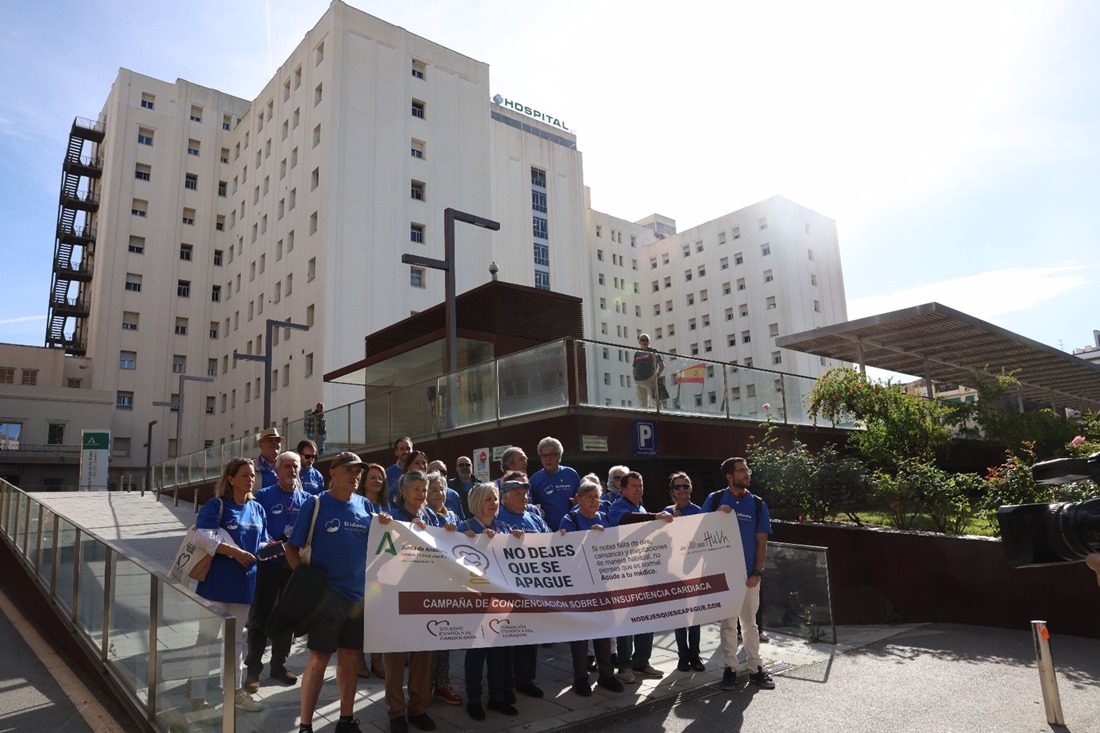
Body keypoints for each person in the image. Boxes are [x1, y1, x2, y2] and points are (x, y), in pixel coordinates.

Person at [287, 451, 391, 733]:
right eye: (349, 470)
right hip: (327, 596)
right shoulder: (316, 503)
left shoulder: (366, 506)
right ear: (333, 472)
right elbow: (291, 547)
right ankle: (306, 725)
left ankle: (346, 719)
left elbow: (384, 546)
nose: (355, 476)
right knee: (319, 659)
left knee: (349, 658)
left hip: (357, 598)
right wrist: (306, 585)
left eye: (359, 471)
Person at [189, 457, 268, 713]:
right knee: (206, 640)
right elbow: (202, 537)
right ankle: (198, 696)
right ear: (231, 479)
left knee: (235, 643)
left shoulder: (258, 509)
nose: (250, 479)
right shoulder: (217, 505)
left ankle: (234, 693)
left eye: (253, 475)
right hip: (215, 586)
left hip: (244, 585)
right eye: (244, 475)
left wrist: (275, 548)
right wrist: (234, 552)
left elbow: (262, 543)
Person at [385, 471, 455, 733]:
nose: (421, 494)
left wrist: (447, 530)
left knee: (423, 656)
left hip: (424, 594)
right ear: (403, 491)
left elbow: (446, 544)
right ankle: (396, 713)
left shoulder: (433, 517)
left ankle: (418, 707)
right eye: (416, 489)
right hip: (396, 595)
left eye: (424, 490)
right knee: (395, 656)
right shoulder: (391, 517)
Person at [709, 456, 776, 692]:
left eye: (747, 469)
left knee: (750, 624)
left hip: (749, 576)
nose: (747, 473)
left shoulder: (758, 504)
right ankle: (730, 669)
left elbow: (762, 540)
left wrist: (758, 571)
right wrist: (716, 516)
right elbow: (700, 531)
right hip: (724, 576)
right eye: (741, 470)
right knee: (727, 625)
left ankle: (756, 668)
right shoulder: (715, 499)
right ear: (729, 476)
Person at [244, 451, 308, 692]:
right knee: (260, 617)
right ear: (277, 471)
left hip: (293, 567)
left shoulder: (307, 499)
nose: (292, 470)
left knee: (287, 617)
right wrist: (273, 543)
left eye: (296, 466)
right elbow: (256, 526)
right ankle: (253, 670)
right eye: (287, 466)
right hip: (268, 566)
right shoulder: (263, 496)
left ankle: (278, 666)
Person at [558, 480, 623, 696]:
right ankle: (581, 678)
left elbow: (614, 547)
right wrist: (588, 538)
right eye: (589, 497)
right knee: (580, 634)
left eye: (597, 497)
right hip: (579, 585)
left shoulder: (604, 518)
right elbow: (564, 550)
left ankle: (607, 675)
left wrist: (603, 537)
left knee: (604, 630)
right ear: (579, 500)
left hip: (602, 584)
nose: (594, 501)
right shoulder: (571, 519)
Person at [458, 483, 516, 721]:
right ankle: (473, 699)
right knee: (477, 652)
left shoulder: (503, 527)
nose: (493, 503)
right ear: (476, 503)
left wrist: (517, 540)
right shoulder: (465, 527)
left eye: (495, 499)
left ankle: (497, 697)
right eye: (488, 499)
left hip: (500, 599)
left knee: (499, 651)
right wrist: (469, 540)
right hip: (475, 598)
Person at [608, 471, 673, 683]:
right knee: (627, 622)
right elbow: (625, 521)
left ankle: (641, 662)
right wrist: (654, 517)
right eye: (634, 486)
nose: (638, 489)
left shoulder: (641, 507)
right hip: (624, 574)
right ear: (623, 489)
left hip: (644, 573)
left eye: (641, 485)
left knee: (646, 618)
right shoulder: (619, 506)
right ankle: (625, 665)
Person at [496, 472, 551, 700]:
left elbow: (549, 540)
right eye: (517, 494)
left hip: (532, 587)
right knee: (507, 639)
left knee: (530, 636)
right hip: (506, 588)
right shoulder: (498, 517)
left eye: (525, 493)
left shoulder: (534, 518)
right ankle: (506, 683)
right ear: (505, 497)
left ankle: (525, 679)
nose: (523, 497)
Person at [421, 472, 464, 707]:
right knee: (428, 640)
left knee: (445, 638)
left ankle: (442, 684)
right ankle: (423, 687)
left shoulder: (455, 515)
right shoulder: (422, 516)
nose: (439, 493)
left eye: (442, 489)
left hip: (450, 584)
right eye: (434, 489)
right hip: (428, 583)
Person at [663, 471, 706, 672]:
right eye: (678, 487)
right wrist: (671, 524)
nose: (682, 490)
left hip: (695, 570)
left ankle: (695, 655)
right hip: (675, 571)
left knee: (695, 617)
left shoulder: (700, 511)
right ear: (672, 491)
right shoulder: (667, 512)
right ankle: (683, 656)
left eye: (685, 485)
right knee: (680, 616)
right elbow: (660, 540)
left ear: (691, 488)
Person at [354, 461, 391, 679]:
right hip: (360, 568)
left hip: (381, 570)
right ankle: (358, 657)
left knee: (378, 615)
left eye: (380, 478)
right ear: (364, 482)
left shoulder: (388, 506)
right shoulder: (357, 503)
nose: (377, 481)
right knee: (360, 616)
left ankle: (377, 658)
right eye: (373, 477)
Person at [529, 436, 581, 531]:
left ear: (559, 456)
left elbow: (580, 499)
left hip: (571, 529)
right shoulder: (535, 479)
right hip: (547, 531)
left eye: (551, 455)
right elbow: (530, 507)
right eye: (544, 456)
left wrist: (577, 504)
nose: (547, 459)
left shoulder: (571, 474)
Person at [632, 333, 664, 408]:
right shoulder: (637, 353)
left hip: (650, 378)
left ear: (649, 342)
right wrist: (634, 377)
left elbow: (662, 365)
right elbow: (634, 366)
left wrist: (657, 376)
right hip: (639, 380)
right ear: (639, 342)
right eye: (642, 340)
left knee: (656, 400)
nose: (644, 342)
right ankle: (645, 418)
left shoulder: (653, 351)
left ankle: (661, 415)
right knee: (642, 403)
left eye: (646, 340)